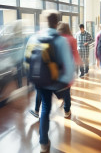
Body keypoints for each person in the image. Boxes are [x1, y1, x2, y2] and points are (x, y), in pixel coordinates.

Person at [25, 11, 74, 152]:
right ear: (56, 23)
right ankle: (67, 109)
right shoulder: (60, 40)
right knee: (57, 102)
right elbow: (69, 66)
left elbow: (26, 60)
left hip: (40, 80)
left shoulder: (34, 38)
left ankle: (43, 143)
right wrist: (65, 83)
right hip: (56, 81)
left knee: (45, 108)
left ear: (43, 22)